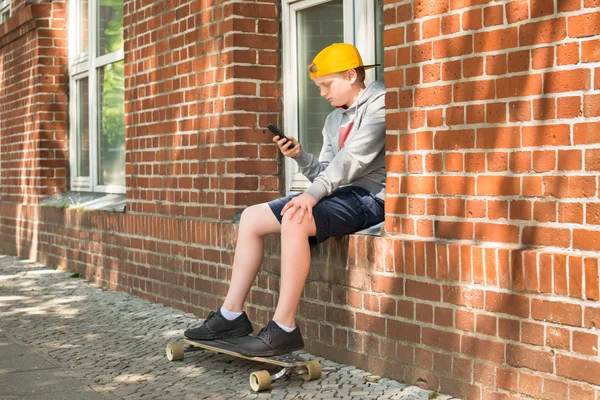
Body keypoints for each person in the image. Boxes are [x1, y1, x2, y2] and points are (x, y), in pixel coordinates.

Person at [184, 43, 386, 357]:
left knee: (295, 216)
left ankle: (284, 327)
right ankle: (231, 315)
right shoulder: (333, 120)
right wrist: (300, 157)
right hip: (339, 195)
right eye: (319, 87)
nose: (323, 93)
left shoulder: (381, 102)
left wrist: (310, 195)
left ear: (351, 75)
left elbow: (352, 161)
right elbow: (325, 171)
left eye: (327, 85)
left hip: (369, 198)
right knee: (251, 217)